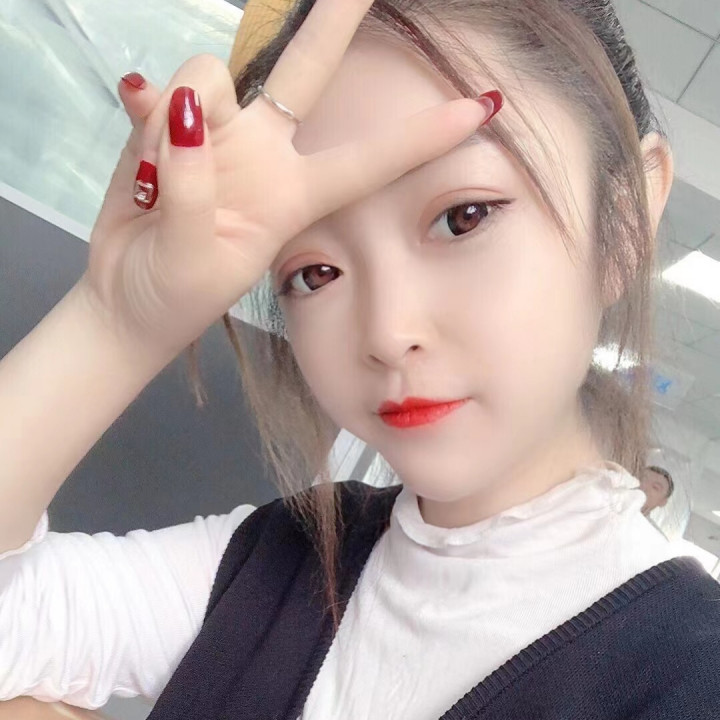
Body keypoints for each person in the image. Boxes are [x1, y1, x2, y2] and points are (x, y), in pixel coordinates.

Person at [2, 0, 720, 719]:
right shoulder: (276, 563)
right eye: (314, 273)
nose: (386, 330)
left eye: (463, 217)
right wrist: (118, 321)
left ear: (624, 217)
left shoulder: (690, 673)